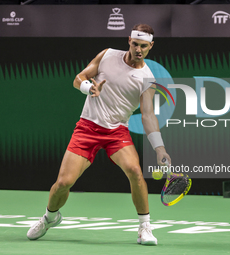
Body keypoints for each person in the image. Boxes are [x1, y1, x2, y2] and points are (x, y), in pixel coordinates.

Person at [27, 23, 171, 246]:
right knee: (63, 183)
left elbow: (148, 115)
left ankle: (145, 228)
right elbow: (79, 77)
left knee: (134, 170)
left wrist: (159, 148)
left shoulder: (147, 79)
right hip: (87, 127)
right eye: (135, 44)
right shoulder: (107, 55)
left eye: (144, 46)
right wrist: (88, 88)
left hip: (116, 131)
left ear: (151, 46)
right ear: (129, 41)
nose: (138, 49)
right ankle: (49, 218)